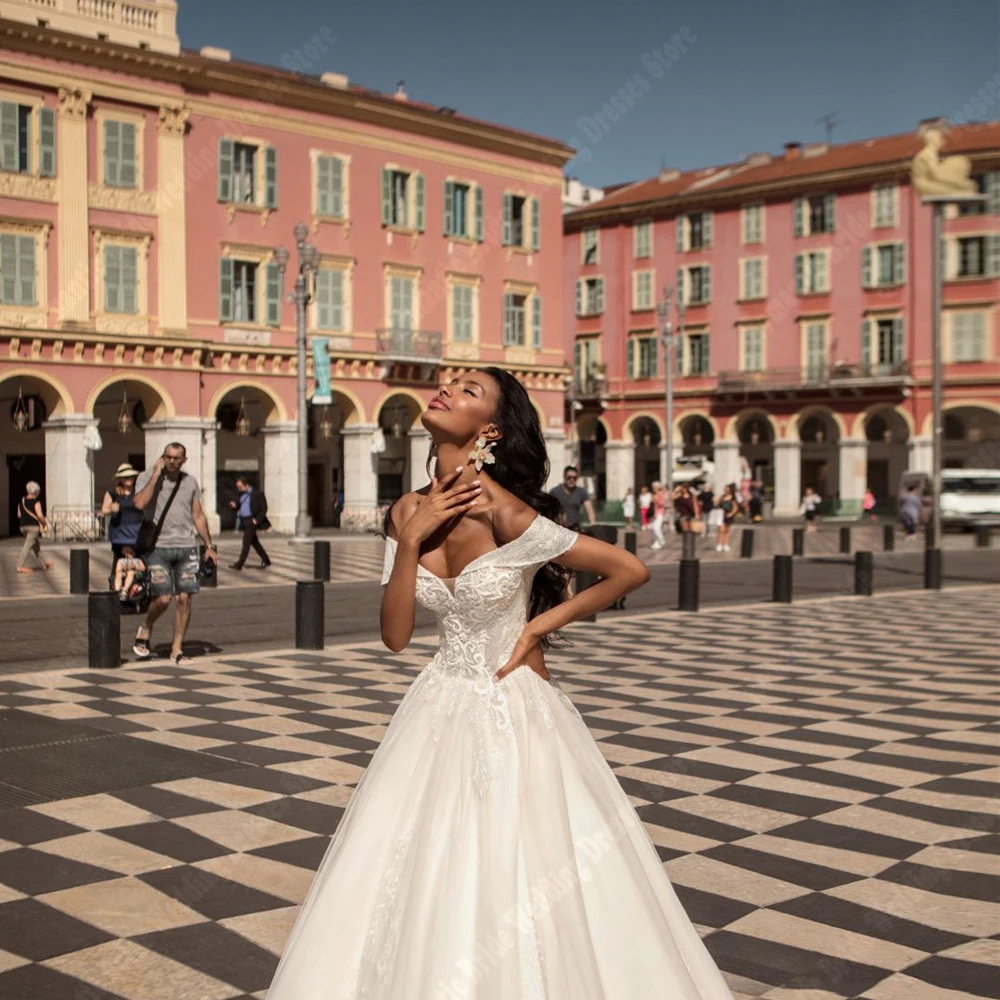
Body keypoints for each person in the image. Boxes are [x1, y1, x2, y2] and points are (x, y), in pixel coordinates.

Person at [265, 367, 734, 1000]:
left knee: (518, 865)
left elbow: (627, 570)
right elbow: (396, 636)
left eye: (468, 390)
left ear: (489, 429)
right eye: (449, 382)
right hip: (435, 705)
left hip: (512, 705)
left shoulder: (505, 511)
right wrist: (409, 540)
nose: (447, 389)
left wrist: (538, 624)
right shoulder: (405, 510)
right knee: (418, 863)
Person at [132, 442, 217, 664]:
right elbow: (139, 503)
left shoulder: (190, 482)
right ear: (162, 457)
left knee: (184, 598)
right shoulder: (146, 477)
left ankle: (176, 648)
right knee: (162, 598)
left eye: (176, 458)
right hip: (158, 547)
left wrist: (209, 546)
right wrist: (155, 477)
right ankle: (147, 625)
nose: (171, 461)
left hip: (186, 546)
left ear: (183, 460)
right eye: (168, 457)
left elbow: (198, 515)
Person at [101, 462, 145, 570]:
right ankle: (117, 583)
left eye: (131, 476)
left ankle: (136, 582)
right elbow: (104, 510)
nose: (129, 479)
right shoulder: (113, 492)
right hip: (120, 534)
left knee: (139, 560)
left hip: (137, 533)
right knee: (120, 561)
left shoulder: (139, 491)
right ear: (120, 479)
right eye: (125, 477)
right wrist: (112, 507)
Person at [228, 476, 272, 570]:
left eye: (240, 487)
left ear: (247, 485)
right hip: (244, 521)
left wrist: (256, 520)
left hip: (252, 521)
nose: (239, 489)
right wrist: (234, 505)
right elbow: (239, 505)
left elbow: (264, 509)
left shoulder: (258, 494)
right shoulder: (241, 494)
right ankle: (266, 560)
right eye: (238, 487)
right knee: (255, 542)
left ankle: (239, 564)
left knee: (246, 542)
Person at [15, 481, 52, 574]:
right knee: (27, 546)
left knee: (35, 545)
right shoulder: (36, 502)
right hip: (33, 527)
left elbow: (19, 515)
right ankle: (20, 566)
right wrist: (44, 523)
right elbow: (40, 516)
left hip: (22, 527)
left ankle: (44, 564)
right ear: (36, 491)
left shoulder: (22, 500)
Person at [549, 464, 595, 530]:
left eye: (574, 478)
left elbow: (590, 509)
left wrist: (592, 524)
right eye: (569, 477)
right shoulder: (555, 492)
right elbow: (547, 509)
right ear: (564, 477)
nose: (572, 480)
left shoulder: (581, 492)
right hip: (559, 529)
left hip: (575, 529)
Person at [716, 482, 738, 552]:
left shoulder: (732, 498)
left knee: (727, 530)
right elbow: (717, 504)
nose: (726, 491)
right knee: (721, 530)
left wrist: (732, 513)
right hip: (721, 514)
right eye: (725, 489)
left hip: (728, 514)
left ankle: (726, 544)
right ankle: (720, 544)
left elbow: (735, 507)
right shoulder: (722, 497)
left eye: (727, 490)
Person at [650, 479, 667, 550]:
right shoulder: (655, 494)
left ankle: (661, 540)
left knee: (656, 528)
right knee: (653, 527)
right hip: (655, 513)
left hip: (660, 513)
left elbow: (662, 504)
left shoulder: (660, 494)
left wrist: (655, 499)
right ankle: (657, 542)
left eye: (654, 487)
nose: (653, 489)